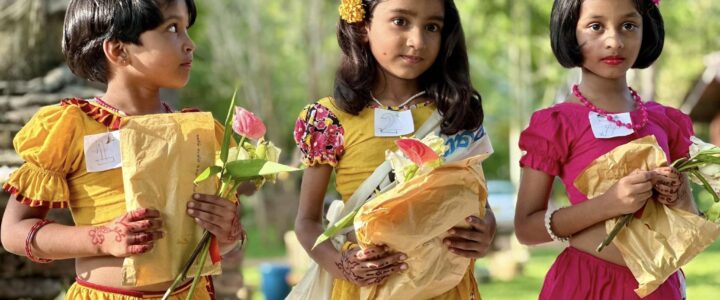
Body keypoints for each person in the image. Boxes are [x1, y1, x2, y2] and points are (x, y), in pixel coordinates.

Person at [0, 1, 244, 298]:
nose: (189, 44)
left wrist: (228, 232)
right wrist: (101, 238)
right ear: (118, 51)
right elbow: (14, 231)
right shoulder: (72, 127)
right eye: (172, 28)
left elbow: (218, 240)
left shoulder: (199, 132)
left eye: (186, 30)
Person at [292, 0, 496, 299]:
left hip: (446, 287)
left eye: (432, 27)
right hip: (368, 288)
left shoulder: (455, 113)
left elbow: (479, 203)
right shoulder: (329, 118)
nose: (417, 41)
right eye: (401, 21)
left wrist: (485, 231)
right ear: (363, 26)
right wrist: (341, 264)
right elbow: (307, 222)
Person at [514, 0, 698, 299]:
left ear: (646, 30)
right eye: (595, 26)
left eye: (628, 25)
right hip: (585, 286)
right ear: (570, 31)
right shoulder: (556, 123)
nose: (614, 41)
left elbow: (688, 217)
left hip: (658, 286)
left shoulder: (665, 122)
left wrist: (678, 195)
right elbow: (525, 228)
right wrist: (607, 205)